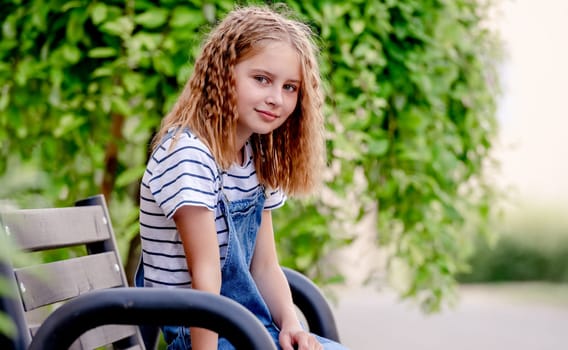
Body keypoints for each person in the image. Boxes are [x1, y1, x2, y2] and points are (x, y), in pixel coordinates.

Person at [137, 5, 348, 350]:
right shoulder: (189, 155)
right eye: (262, 79)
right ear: (223, 74)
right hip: (203, 334)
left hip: (247, 328)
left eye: (290, 87)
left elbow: (264, 266)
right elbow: (206, 279)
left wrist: (291, 325)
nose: (276, 99)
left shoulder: (253, 160)